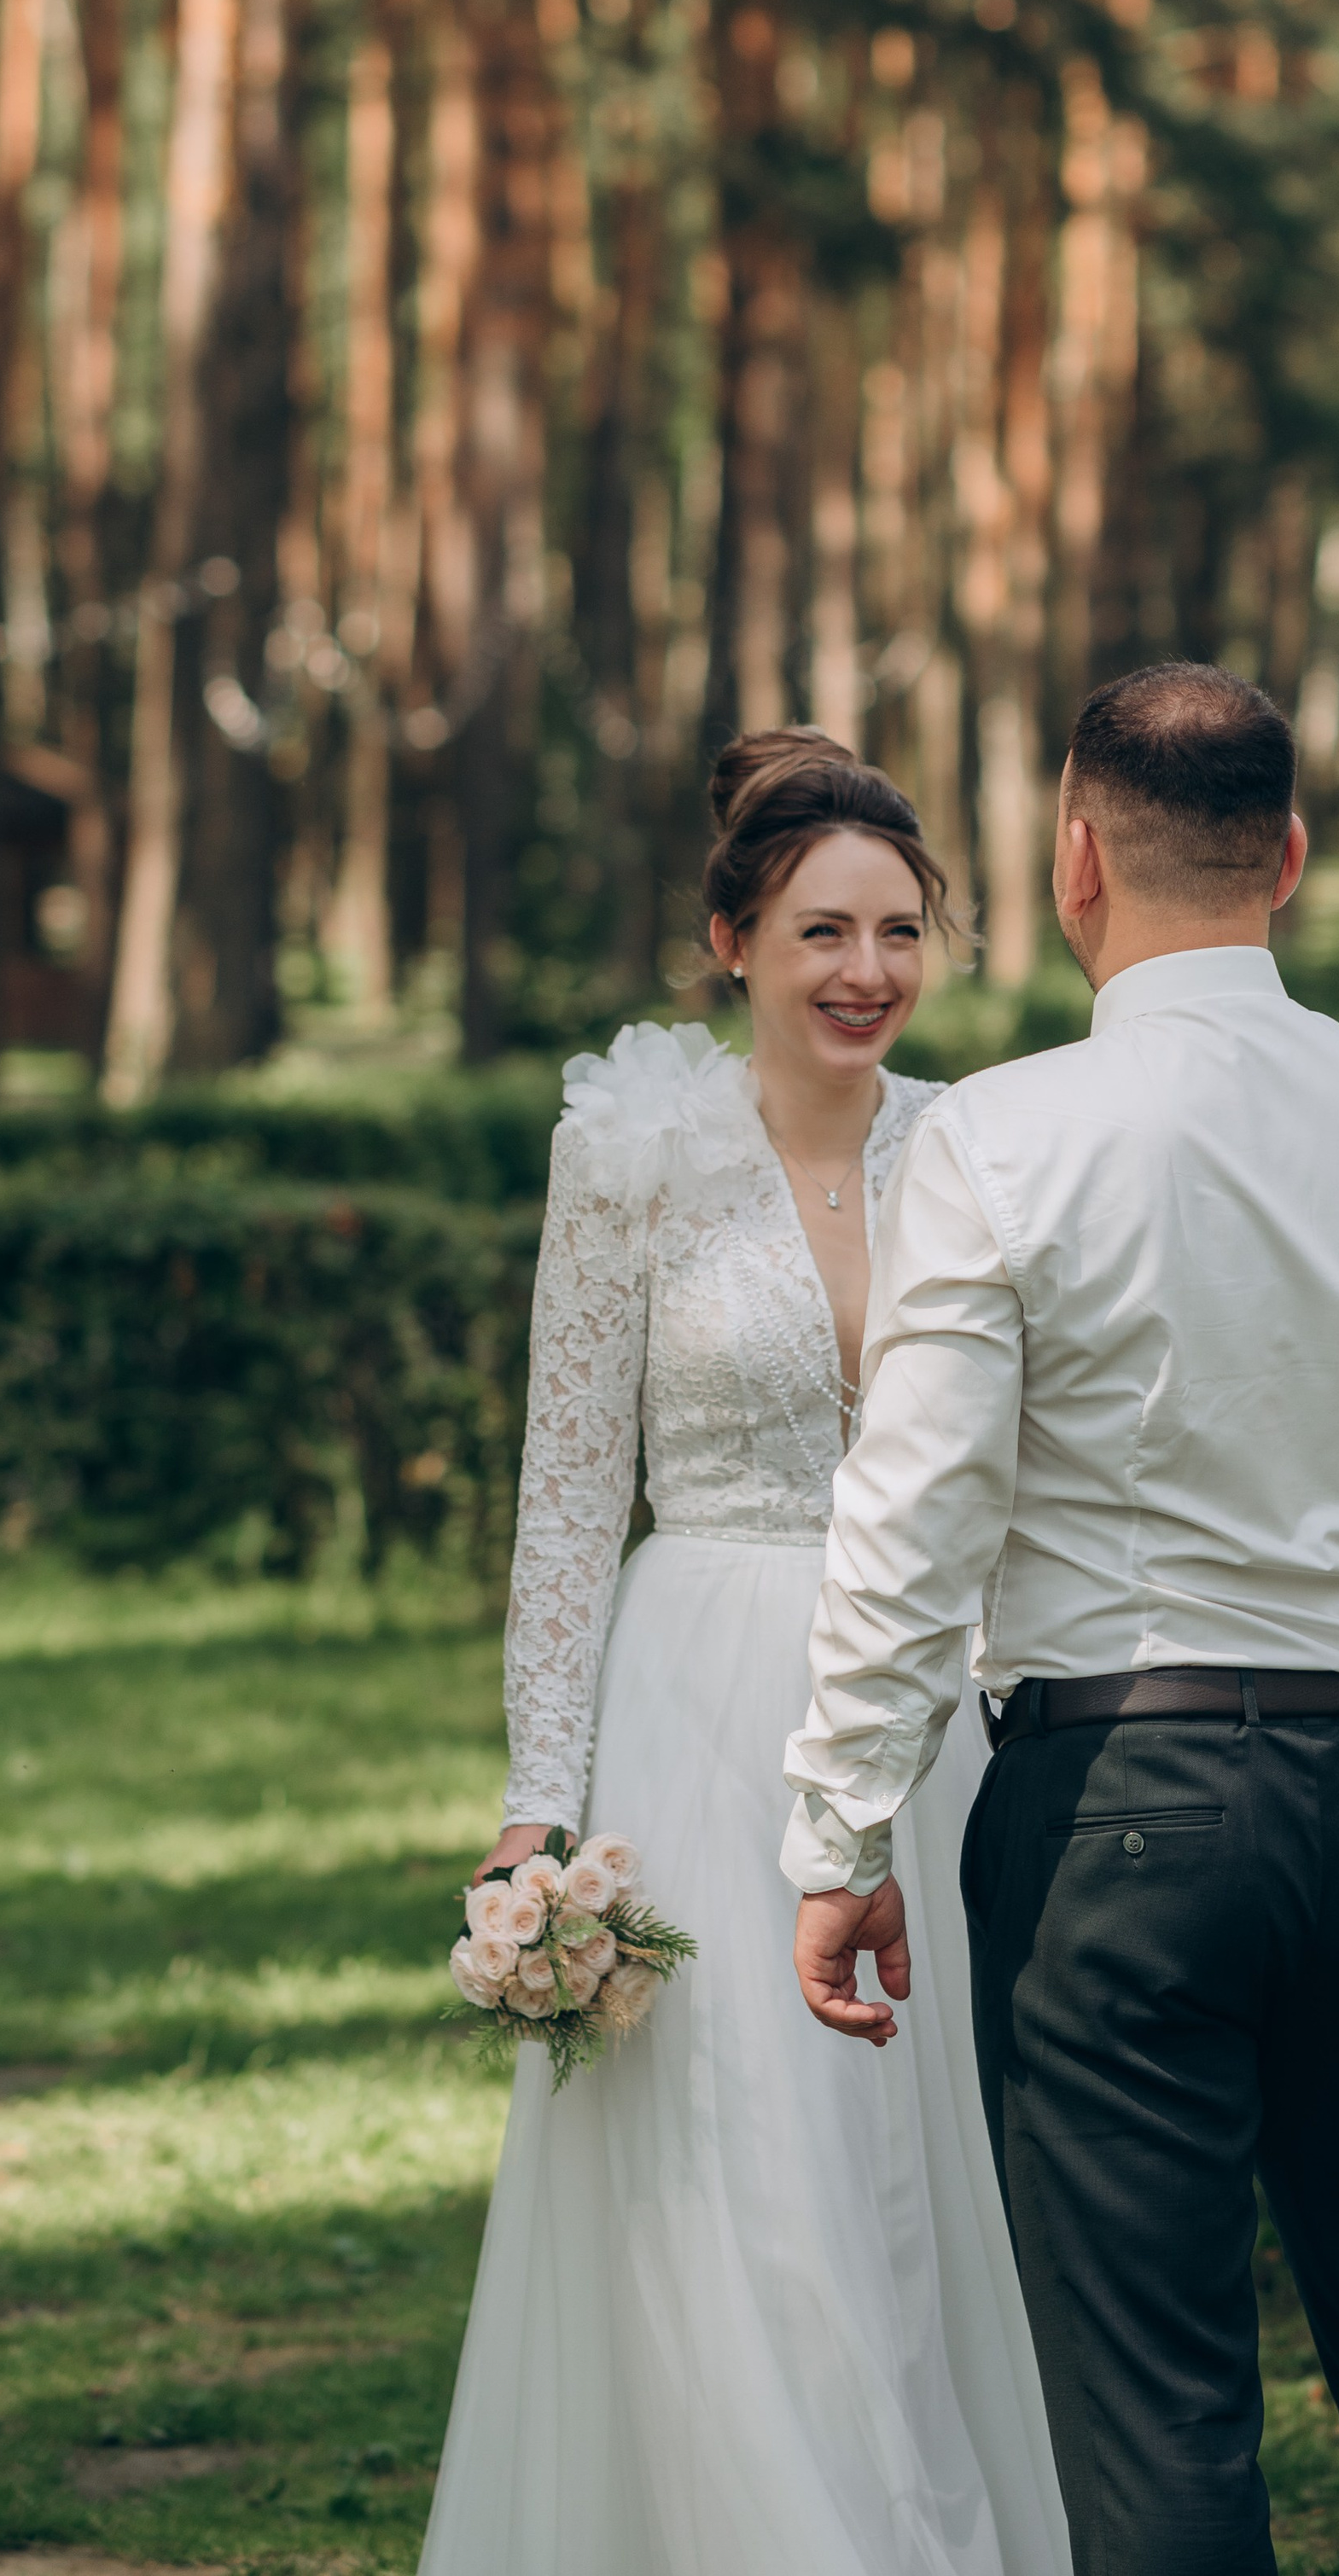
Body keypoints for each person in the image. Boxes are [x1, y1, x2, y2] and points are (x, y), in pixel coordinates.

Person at [783, 662, 1339, 2576]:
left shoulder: (994, 1136)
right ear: (1289, 857)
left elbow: (914, 1516)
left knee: (1152, 2404)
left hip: (1112, 1800)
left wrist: (834, 1825)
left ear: (1075, 858)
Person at [420, 730, 1068, 2576]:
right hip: (701, 1682)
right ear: (731, 940)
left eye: (896, 930)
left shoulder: (975, 1147)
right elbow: (566, 1489)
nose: (864, 971)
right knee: (747, 2158)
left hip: (932, 1701)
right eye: (817, 932)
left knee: (919, 2157)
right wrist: (539, 1802)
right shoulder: (630, 1153)